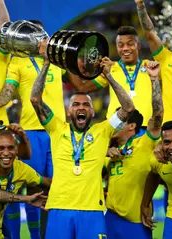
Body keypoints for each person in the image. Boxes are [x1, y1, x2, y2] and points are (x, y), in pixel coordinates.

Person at [30, 41, 134, 238]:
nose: (80, 108)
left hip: (92, 211)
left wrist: (108, 77)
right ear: (69, 111)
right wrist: (45, 64)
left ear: (92, 111)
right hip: (59, 208)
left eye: (85, 105)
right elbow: (35, 99)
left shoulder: (102, 130)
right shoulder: (56, 128)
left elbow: (128, 108)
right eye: (76, 104)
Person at [0, 21, 64, 239]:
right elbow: (8, 91)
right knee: (34, 187)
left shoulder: (57, 58)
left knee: (59, 187)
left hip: (58, 131)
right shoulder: (17, 62)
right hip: (32, 131)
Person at [104, 61, 163, 239]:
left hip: (137, 220)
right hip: (111, 218)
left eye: (118, 121)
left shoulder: (145, 143)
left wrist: (154, 80)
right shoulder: (108, 149)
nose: (112, 124)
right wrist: (105, 152)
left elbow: (158, 114)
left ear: (131, 126)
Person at [68, 26, 153, 132]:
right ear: (116, 47)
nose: (125, 48)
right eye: (120, 45)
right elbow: (82, 89)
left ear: (138, 45)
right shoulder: (109, 69)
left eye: (130, 44)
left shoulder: (150, 66)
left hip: (146, 127)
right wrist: (70, 61)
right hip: (116, 128)